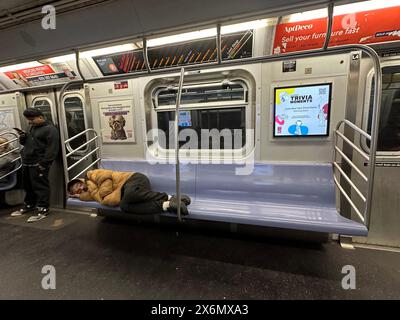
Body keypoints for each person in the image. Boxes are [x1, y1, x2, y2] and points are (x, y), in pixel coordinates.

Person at [67, 169, 191, 215]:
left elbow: (106, 177)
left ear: (80, 180)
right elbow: (90, 196)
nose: (78, 187)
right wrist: (80, 195)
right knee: (125, 206)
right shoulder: (91, 192)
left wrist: (104, 194)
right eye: (76, 190)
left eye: (77, 184)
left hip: (133, 179)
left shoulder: (90, 174)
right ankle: (167, 205)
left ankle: (169, 197)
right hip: (125, 193)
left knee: (131, 195)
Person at [10, 108, 60, 222]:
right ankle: (29, 205)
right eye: (28, 120)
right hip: (27, 161)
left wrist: (45, 163)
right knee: (28, 185)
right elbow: (26, 143)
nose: (29, 122)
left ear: (41, 117)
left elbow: (52, 148)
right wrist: (22, 137)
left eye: (32, 119)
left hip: (39, 162)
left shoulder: (50, 129)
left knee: (40, 186)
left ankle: (43, 208)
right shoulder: (31, 127)